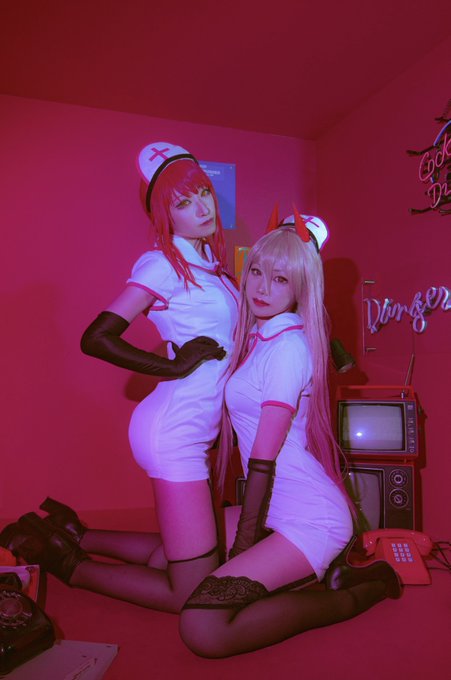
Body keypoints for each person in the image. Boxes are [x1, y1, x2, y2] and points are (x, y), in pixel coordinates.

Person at [0, 142, 239, 612]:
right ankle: (65, 561)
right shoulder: (163, 264)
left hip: (196, 425)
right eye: (183, 202)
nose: (202, 208)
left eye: (203, 193)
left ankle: (73, 532)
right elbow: (97, 337)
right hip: (175, 430)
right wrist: (174, 365)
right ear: (164, 215)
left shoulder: (210, 267)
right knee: (191, 591)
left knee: (186, 554)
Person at [179, 209, 402, 658]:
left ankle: (369, 587)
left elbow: (262, 460)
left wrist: (243, 547)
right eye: (257, 272)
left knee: (202, 628)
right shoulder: (259, 339)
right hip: (272, 508)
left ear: (301, 287)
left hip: (309, 517)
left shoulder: (289, 347)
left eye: (280, 279)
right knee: (178, 553)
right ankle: (72, 550)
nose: (262, 288)